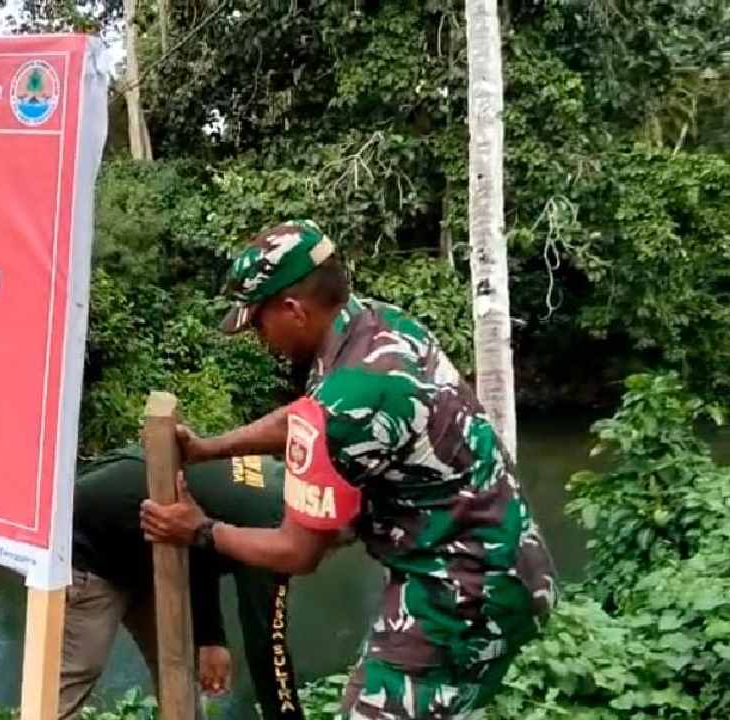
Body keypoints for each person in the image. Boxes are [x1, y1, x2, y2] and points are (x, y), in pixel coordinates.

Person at [141, 220, 557, 719]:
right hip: (504, 569)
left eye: (258, 323)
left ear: (294, 310)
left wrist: (201, 531)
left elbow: (296, 551)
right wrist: (209, 448)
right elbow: (303, 419)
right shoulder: (377, 325)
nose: (259, 338)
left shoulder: (347, 399)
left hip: (459, 596)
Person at [64, 448, 306, 720]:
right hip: (87, 542)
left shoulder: (279, 481)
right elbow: (266, 644)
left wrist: (210, 636)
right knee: (73, 678)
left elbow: (202, 545)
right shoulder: (273, 526)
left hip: (152, 548)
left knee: (179, 670)